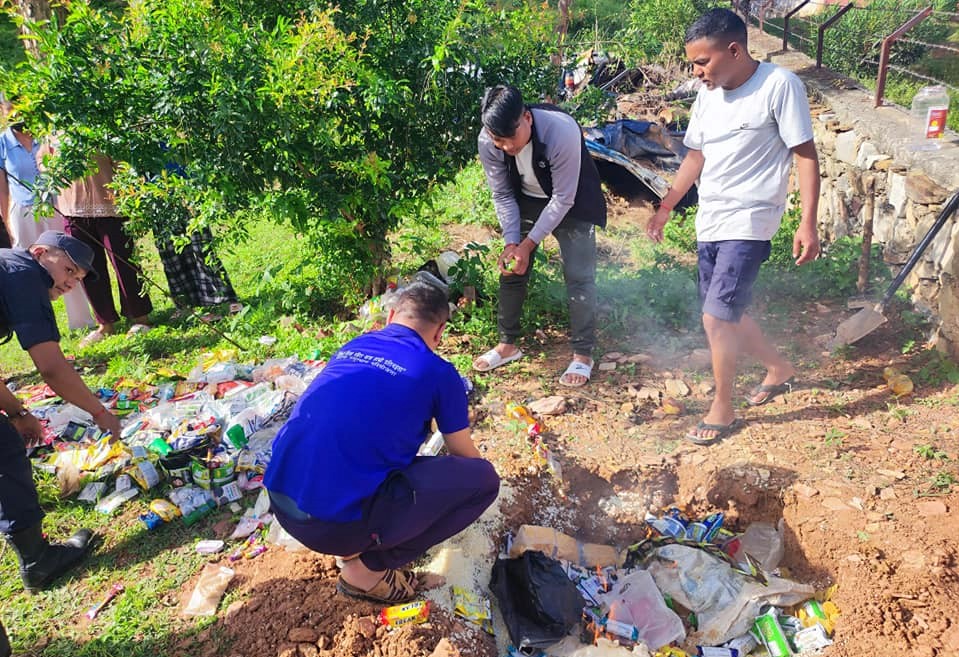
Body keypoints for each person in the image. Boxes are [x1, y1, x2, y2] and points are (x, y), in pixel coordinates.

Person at [645, 8, 820, 444]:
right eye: (693, 63)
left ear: (735, 50)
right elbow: (696, 156)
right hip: (712, 220)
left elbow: (805, 154)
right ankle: (779, 367)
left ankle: (723, 407)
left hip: (751, 218)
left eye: (702, 62)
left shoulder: (779, 86)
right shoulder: (708, 95)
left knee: (716, 318)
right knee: (727, 314)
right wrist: (667, 204)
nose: (696, 71)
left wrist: (808, 221)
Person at [264, 281, 499, 604]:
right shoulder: (439, 372)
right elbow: (464, 455)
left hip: (282, 503)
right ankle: (367, 569)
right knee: (484, 481)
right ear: (440, 331)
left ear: (390, 315)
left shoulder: (354, 345)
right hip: (330, 527)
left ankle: (358, 540)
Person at [0, 230, 123, 594]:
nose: (70, 283)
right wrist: (100, 413)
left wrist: (18, 413)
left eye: (78, 279)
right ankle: (38, 561)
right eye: (68, 270)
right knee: (4, 449)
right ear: (39, 253)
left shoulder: (10, 269)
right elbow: (51, 367)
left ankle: (35, 557)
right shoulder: (24, 275)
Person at [473, 85, 607, 387]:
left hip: (573, 200)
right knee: (512, 267)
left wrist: (529, 243)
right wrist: (513, 243)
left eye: (510, 138)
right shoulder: (488, 139)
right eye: (498, 140)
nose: (505, 147)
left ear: (527, 119)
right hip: (526, 199)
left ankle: (583, 353)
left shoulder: (560, 131)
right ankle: (508, 344)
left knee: (579, 275)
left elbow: (562, 198)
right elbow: (502, 193)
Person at [0, 100, 96, 330]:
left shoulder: (46, 133)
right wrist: (5, 223)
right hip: (23, 210)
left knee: (67, 264)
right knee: (30, 270)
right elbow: (2, 187)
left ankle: (82, 322)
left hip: (55, 205)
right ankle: (40, 323)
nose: (15, 110)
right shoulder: (2, 142)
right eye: (9, 105)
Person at [57, 154, 153, 347]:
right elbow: (44, 162)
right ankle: (105, 323)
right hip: (73, 208)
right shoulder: (52, 129)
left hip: (111, 205)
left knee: (124, 262)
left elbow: (122, 161)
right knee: (87, 268)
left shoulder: (98, 125)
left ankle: (140, 317)